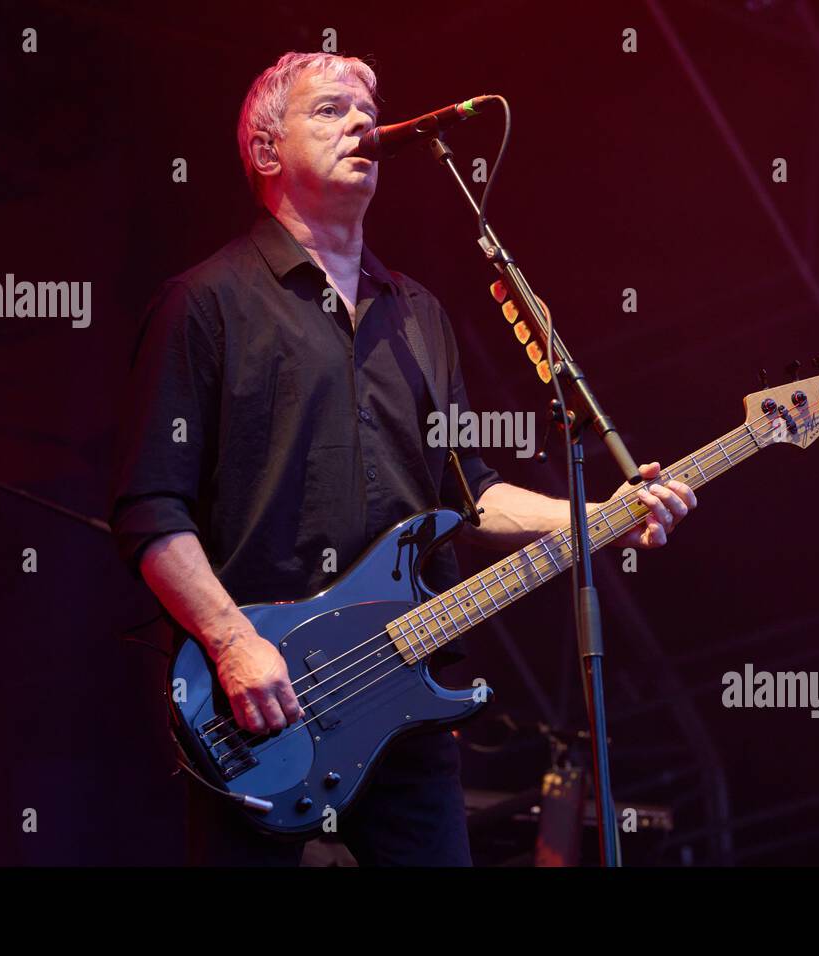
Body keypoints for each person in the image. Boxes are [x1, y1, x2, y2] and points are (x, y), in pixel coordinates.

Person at [109, 51, 696, 866]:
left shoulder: (418, 315)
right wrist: (232, 641)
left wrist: (600, 520)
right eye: (331, 109)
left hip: (405, 707)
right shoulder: (205, 304)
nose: (363, 123)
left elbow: (471, 495)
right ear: (267, 151)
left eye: (368, 107)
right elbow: (149, 509)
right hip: (263, 710)